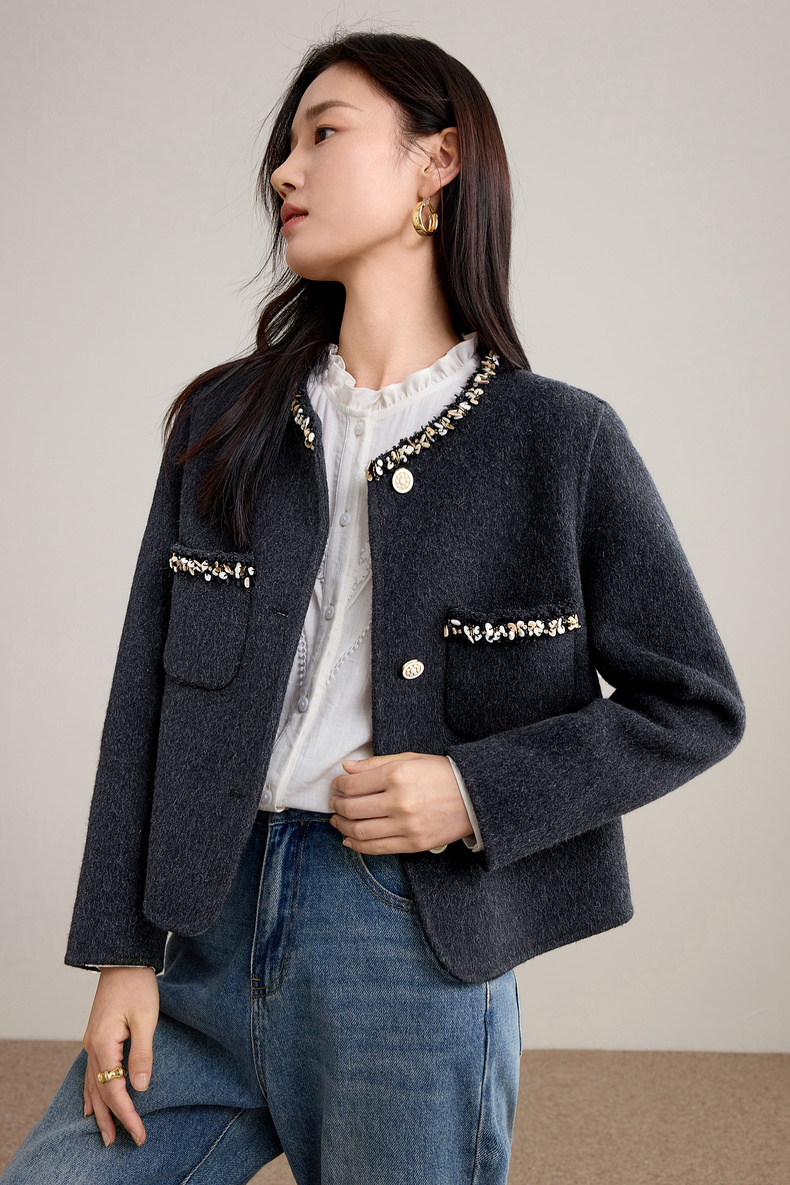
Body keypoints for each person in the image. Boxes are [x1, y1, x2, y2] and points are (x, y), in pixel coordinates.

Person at [1, 28, 745, 1185]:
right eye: (284, 145)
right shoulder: (222, 425)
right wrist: (120, 952)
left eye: (323, 133)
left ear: (435, 163)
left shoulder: (558, 442)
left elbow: (692, 704)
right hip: (204, 932)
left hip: (406, 950)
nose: (282, 171)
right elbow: (144, 698)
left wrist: (473, 791)